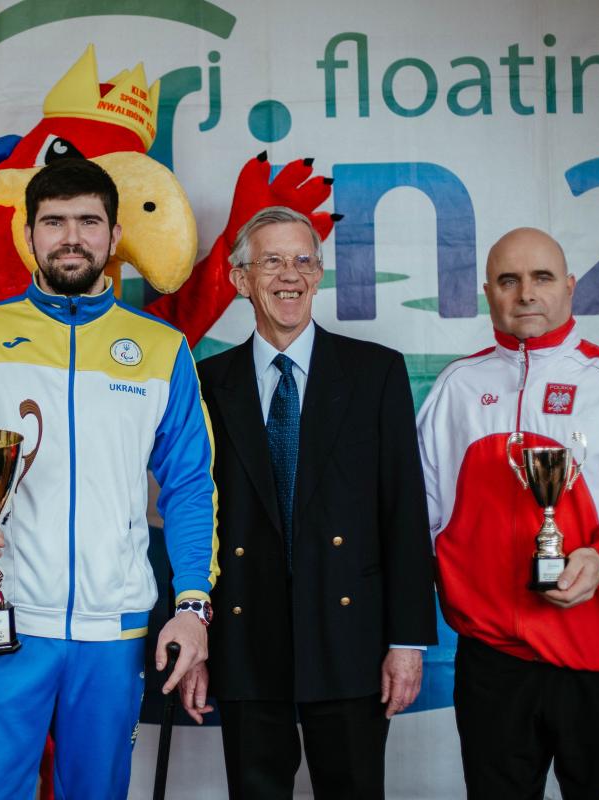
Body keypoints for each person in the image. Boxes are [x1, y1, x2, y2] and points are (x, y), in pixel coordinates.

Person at [0, 158, 218, 800]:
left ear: (112, 237)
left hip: (112, 630)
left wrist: (192, 605)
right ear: (29, 234)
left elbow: (190, 482)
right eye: (54, 221)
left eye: (88, 221)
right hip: (3, 617)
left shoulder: (161, 348)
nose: (71, 236)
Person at [415, 227, 599, 800]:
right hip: (493, 662)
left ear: (570, 287)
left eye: (542, 278)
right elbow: (416, 523)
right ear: (487, 293)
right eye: (508, 280)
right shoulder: (455, 389)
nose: (526, 293)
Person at [186, 206, 437, 798]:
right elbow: (190, 513)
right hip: (245, 640)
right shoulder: (202, 382)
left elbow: (404, 513)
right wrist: (193, 637)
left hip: (351, 640)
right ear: (240, 280)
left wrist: (407, 642)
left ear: (319, 274)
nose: (289, 275)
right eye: (271, 261)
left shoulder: (376, 372)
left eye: (303, 260)